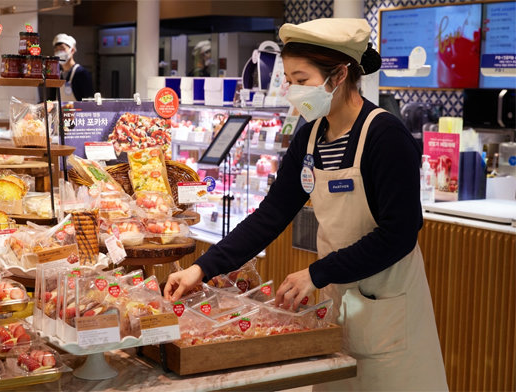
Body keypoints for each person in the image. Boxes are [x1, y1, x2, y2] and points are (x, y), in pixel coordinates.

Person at [164, 18, 448, 391]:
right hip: (337, 300)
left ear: (340, 74)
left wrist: (316, 273)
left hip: (390, 310)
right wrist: (201, 269)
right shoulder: (311, 137)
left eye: (301, 80)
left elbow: (400, 234)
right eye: (288, 80)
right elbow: (272, 215)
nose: (291, 91)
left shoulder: (385, 135)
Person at [53, 33, 93, 101]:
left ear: (72, 50)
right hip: (61, 111)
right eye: (56, 49)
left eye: (62, 49)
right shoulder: (57, 74)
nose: (59, 52)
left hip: (77, 111)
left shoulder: (81, 73)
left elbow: (89, 101)